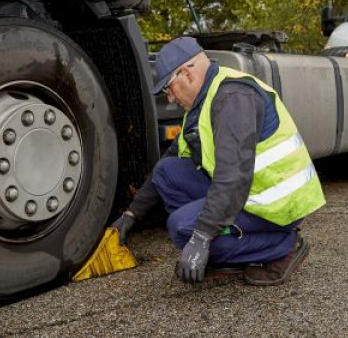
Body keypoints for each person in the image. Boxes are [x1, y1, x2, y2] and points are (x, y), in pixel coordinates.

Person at [110, 37, 325, 285]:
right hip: (248, 193)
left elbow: (232, 177)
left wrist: (201, 237)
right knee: (169, 173)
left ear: (187, 73)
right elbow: (168, 162)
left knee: (182, 228)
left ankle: (284, 246)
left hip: (275, 204)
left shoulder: (233, 97)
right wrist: (131, 214)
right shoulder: (201, 104)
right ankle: (229, 246)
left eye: (169, 88)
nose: (169, 98)